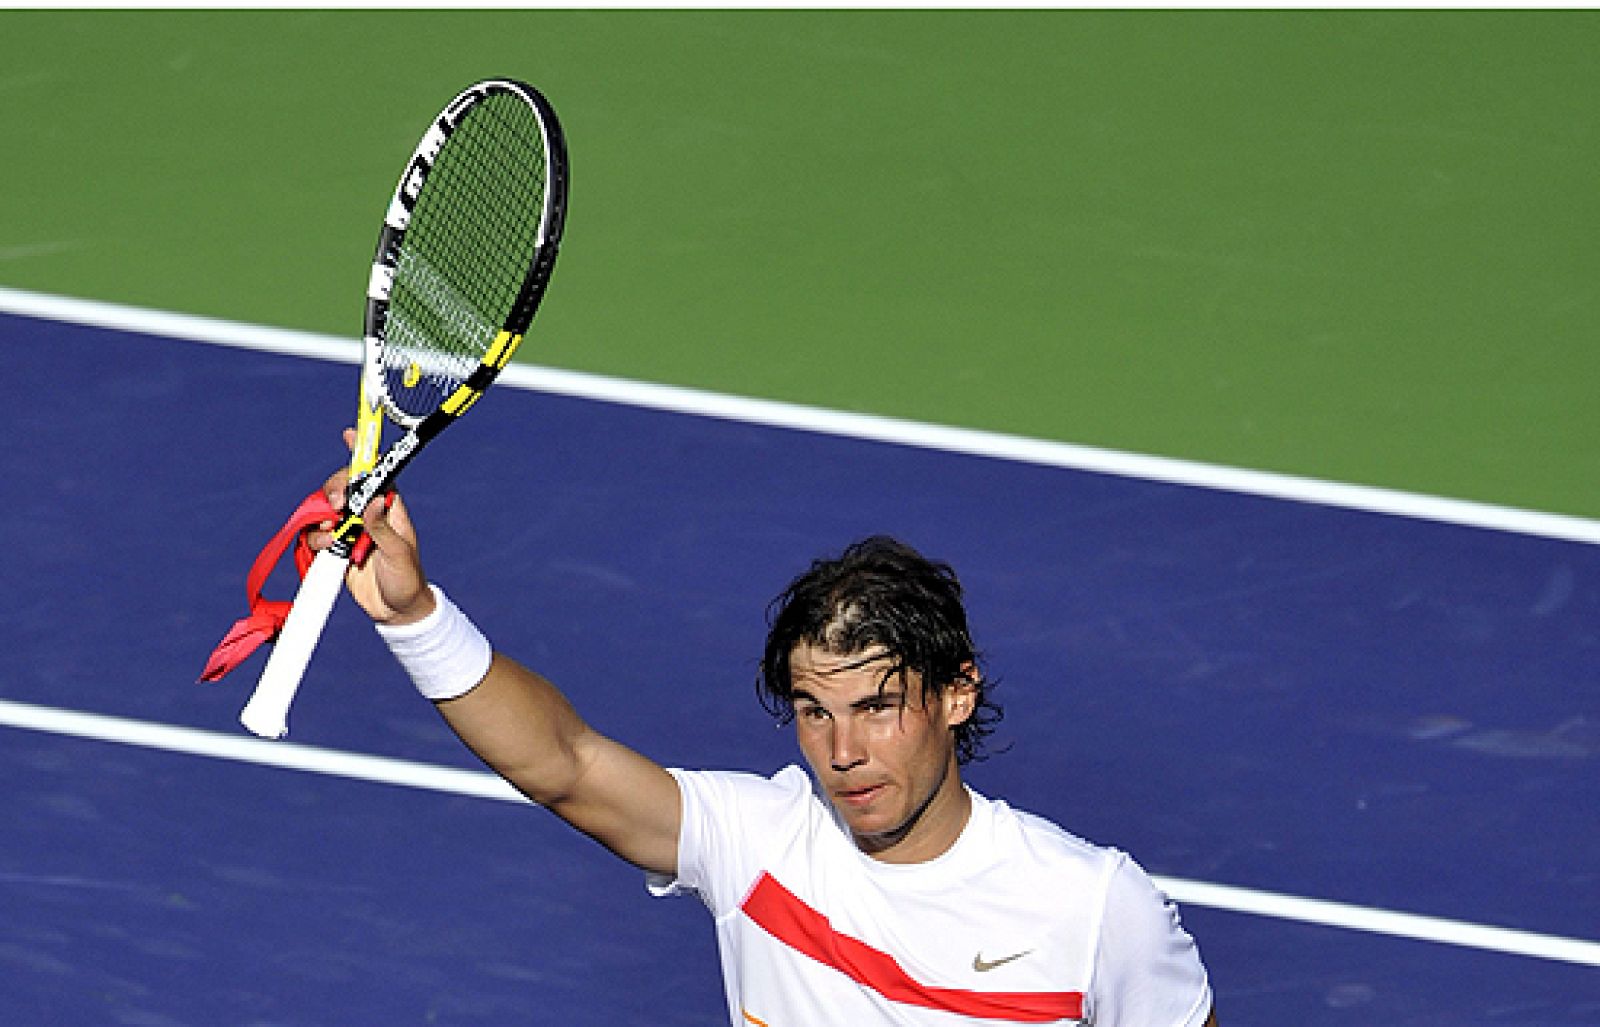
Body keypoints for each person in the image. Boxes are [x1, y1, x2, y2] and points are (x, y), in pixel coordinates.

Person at [311, 451, 1215, 1026]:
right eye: (815, 710)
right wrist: (415, 617)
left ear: (955, 694)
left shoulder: (1095, 908)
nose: (843, 749)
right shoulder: (761, 844)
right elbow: (565, 763)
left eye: (876, 706)